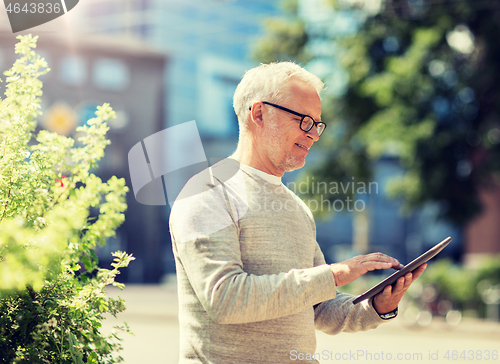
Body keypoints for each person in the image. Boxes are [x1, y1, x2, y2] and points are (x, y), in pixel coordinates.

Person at [169, 62, 426, 363]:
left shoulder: (297, 208)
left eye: (317, 124)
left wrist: (377, 307)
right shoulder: (207, 192)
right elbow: (225, 298)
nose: (314, 135)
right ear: (259, 113)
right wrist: (332, 274)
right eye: (304, 121)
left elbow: (317, 306)